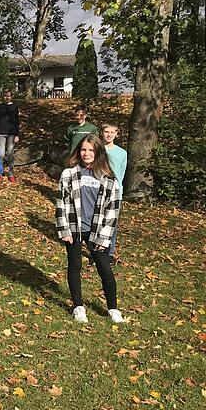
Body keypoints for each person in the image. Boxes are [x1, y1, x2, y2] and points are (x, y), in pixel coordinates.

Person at [56, 134, 124, 324]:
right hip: (75, 228)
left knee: (105, 271)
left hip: (97, 231)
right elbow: (62, 203)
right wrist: (65, 230)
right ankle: (78, 306)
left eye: (90, 150)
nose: (86, 153)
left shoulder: (109, 178)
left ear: (98, 152)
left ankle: (113, 308)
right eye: (83, 150)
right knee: (74, 266)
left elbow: (113, 210)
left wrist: (104, 238)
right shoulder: (69, 174)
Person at [101, 121, 127, 263]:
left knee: (112, 223)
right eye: (106, 132)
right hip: (98, 189)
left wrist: (118, 188)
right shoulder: (96, 149)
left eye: (112, 132)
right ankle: (98, 250)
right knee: (98, 221)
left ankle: (110, 253)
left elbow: (121, 172)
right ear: (102, 133)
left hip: (115, 192)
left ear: (116, 134)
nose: (109, 134)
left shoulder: (122, 153)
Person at [0, 89, 20, 183]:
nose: (7, 97)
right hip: (1, 133)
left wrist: (17, 134)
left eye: (9, 96)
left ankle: (11, 173)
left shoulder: (15, 106)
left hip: (11, 134)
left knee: (10, 154)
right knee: (1, 154)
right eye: (5, 96)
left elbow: (16, 121)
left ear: (11, 96)